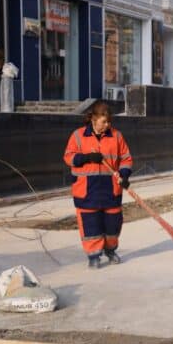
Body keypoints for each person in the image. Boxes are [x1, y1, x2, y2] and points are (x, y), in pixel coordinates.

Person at [63, 101, 133, 268]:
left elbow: (126, 158)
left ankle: (110, 250)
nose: (107, 125)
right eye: (104, 121)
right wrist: (86, 157)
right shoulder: (78, 136)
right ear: (93, 119)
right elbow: (68, 157)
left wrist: (124, 175)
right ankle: (93, 256)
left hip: (111, 190)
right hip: (87, 192)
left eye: (109, 121)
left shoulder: (116, 136)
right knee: (90, 225)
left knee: (113, 225)